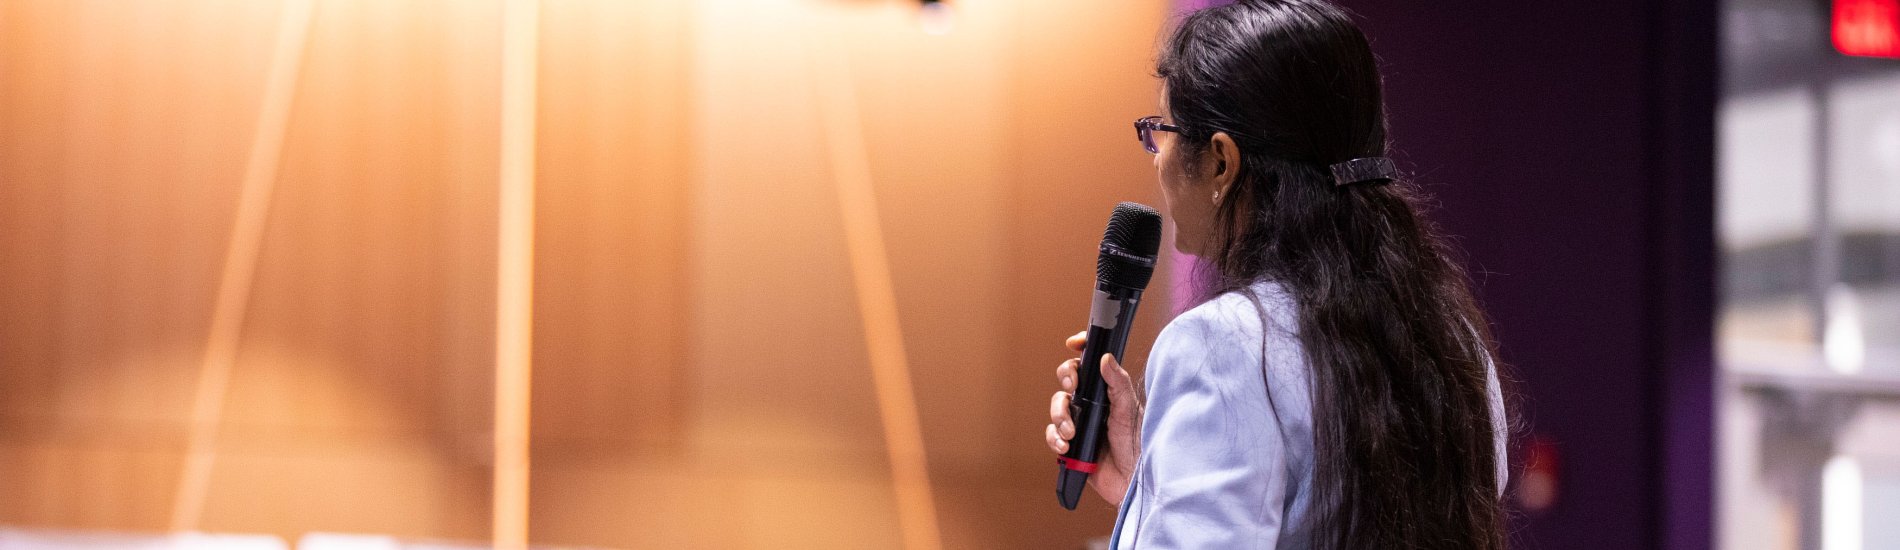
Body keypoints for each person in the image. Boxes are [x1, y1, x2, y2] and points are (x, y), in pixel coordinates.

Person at [1042, 1, 1511, 548]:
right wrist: (1152, 487)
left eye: (1159, 131)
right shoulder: (1451, 342)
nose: (1155, 156)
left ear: (1221, 161)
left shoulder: (1220, 345)